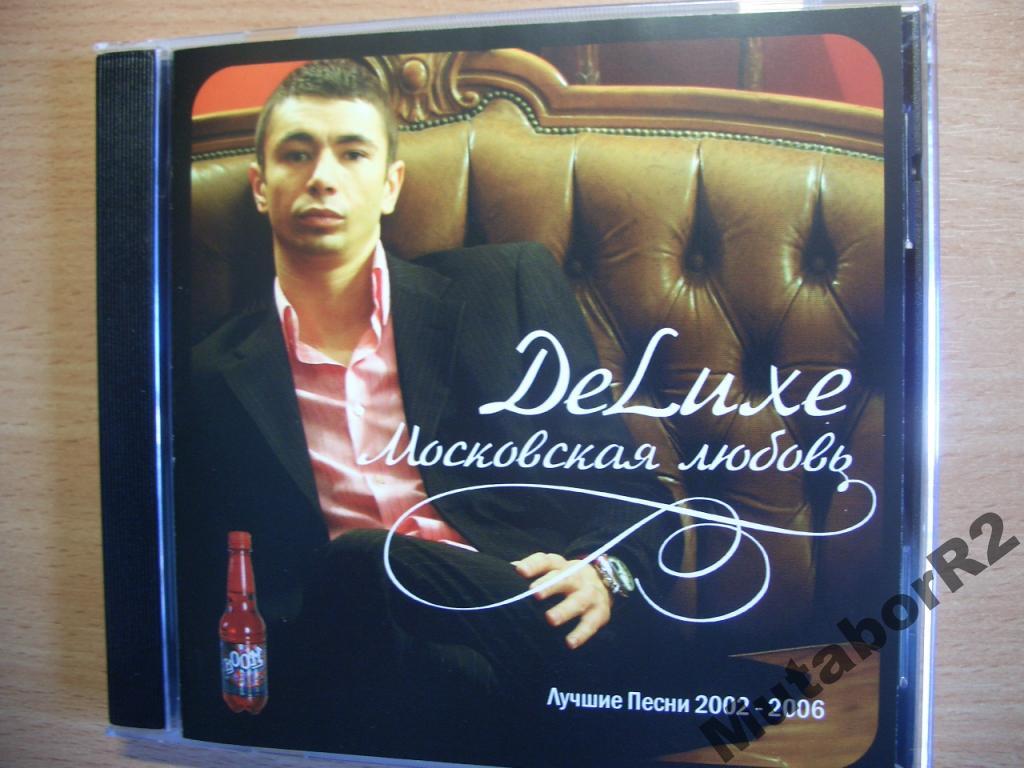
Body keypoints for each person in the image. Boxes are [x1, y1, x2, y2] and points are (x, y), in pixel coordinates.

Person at [176, 60, 766, 766]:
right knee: (363, 559)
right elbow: (214, 586)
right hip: (348, 662)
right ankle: (665, 706)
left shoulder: (502, 290)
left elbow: (636, 501)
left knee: (446, 663)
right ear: (260, 186)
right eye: (297, 154)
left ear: (390, 184)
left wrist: (601, 575)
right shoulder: (209, 375)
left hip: (506, 647)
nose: (323, 177)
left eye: (353, 153)